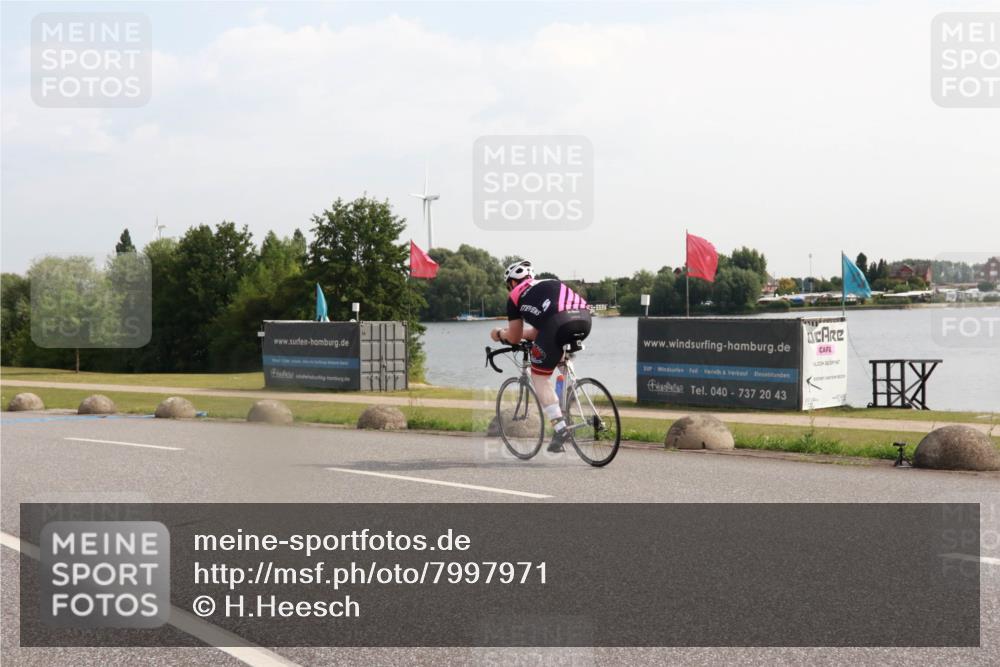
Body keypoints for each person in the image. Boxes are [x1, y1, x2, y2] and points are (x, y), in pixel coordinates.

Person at [490, 260, 592, 452]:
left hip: (557, 323)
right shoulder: (549, 283)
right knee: (557, 354)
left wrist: (499, 334)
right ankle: (570, 392)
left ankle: (561, 428)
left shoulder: (515, 295)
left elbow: (514, 337)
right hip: (584, 319)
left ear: (512, 282)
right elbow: (538, 331)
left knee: (539, 377)